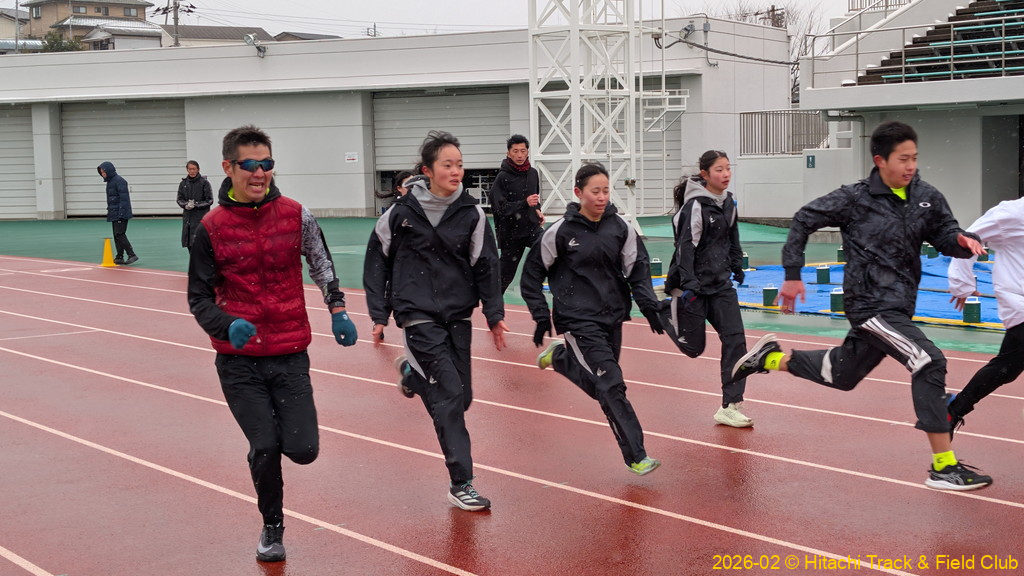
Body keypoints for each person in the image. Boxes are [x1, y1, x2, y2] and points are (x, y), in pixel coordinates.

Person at [730, 121, 992, 491]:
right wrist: (792, 274)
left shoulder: (926, 197)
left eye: (914, 158)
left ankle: (770, 359)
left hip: (900, 304)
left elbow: (946, 234)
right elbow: (803, 219)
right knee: (928, 360)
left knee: (844, 374)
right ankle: (943, 466)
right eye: (903, 159)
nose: (911, 166)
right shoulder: (855, 198)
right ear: (880, 160)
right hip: (869, 304)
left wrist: (964, 241)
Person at [187, 125, 358, 562]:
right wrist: (226, 325)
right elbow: (198, 297)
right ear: (228, 167)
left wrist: (337, 307)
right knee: (265, 446)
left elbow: (320, 261)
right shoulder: (211, 227)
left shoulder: (296, 215)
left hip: (289, 353)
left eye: (267, 163)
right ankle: (272, 526)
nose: (260, 172)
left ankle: (273, 451)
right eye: (250, 164)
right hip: (239, 361)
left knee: (303, 450)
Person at [364, 130, 508, 512]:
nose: (456, 171)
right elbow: (377, 262)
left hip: (458, 314)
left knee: (462, 397)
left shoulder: (473, 214)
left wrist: (494, 314)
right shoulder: (400, 214)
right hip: (416, 315)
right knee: (449, 394)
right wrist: (379, 314)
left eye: (460, 164)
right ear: (427, 171)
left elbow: (487, 265)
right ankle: (462, 483)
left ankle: (413, 377)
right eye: (448, 165)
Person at [521, 162, 664, 476]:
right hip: (576, 320)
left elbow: (637, 271)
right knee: (612, 384)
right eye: (595, 191)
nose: (601, 197)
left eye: (605, 191)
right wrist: (540, 314)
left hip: (612, 317)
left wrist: (649, 306)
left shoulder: (620, 228)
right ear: (578, 192)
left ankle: (561, 359)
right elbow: (531, 274)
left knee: (605, 385)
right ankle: (636, 455)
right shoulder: (560, 232)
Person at [661, 151, 752, 427]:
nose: (725, 174)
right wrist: (689, 283)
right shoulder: (695, 207)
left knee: (736, 342)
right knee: (693, 348)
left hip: (721, 286)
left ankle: (730, 405)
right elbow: (685, 248)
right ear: (705, 175)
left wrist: (736, 265)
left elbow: (732, 237)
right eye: (719, 170)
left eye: (727, 169)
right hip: (695, 287)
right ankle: (663, 312)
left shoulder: (729, 203)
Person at [947, 197, 1024, 437]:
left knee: (1007, 369)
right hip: (1019, 301)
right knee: (1006, 367)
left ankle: (953, 410)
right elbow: (968, 240)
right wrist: (962, 285)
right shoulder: (1011, 213)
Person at [490, 134, 545, 293]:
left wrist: (537, 210)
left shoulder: (533, 173)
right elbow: (500, 208)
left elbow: (534, 198)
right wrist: (524, 203)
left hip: (531, 228)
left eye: (523, 151)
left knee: (550, 247)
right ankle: (491, 301)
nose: (519, 155)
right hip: (511, 233)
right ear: (508, 153)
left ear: (528, 152)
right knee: (505, 276)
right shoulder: (502, 177)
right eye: (515, 151)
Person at [97, 161, 138, 265]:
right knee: (116, 235)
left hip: (120, 213)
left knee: (120, 234)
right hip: (114, 212)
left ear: (108, 171)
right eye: (101, 172)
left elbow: (124, 199)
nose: (102, 174)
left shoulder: (119, 181)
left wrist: (121, 214)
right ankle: (119, 256)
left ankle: (132, 254)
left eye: (103, 172)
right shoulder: (110, 182)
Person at [176, 160, 214, 252]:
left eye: (194, 169)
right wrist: (186, 205)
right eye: (190, 169)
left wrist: (196, 205)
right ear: (187, 170)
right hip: (188, 218)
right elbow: (179, 199)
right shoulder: (183, 184)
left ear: (198, 169)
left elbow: (209, 200)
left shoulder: (204, 183)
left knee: (201, 243)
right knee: (189, 244)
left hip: (201, 217)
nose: (192, 171)